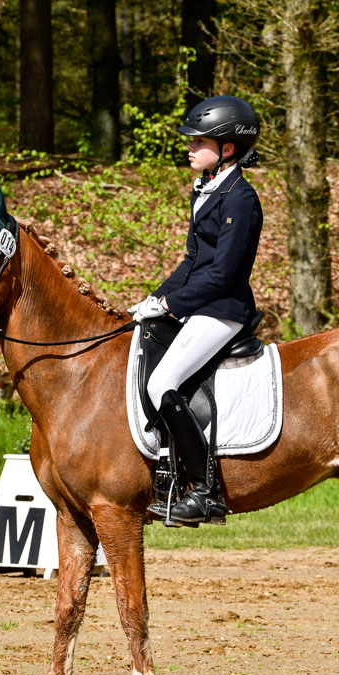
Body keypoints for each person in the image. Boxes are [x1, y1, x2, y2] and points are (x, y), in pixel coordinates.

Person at [128, 95, 263, 525]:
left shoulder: (241, 199)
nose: (189, 147)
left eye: (199, 141)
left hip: (223, 309)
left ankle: (206, 492)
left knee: (162, 381)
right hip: (198, 304)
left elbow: (222, 274)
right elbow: (191, 261)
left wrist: (171, 303)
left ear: (227, 148)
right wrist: (153, 299)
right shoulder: (206, 187)